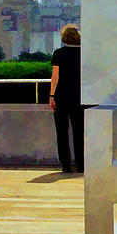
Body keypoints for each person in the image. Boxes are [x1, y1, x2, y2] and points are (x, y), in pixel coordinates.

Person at [49, 24, 84, 173]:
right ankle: (81, 165)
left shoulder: (58, 53)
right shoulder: (84, 54)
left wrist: (51, 96)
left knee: (62, 132)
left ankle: (66, 165)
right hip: (80, 97)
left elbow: (55, 77)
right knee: (79, 132)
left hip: (61, 97)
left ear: (64, 38)